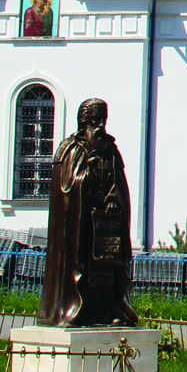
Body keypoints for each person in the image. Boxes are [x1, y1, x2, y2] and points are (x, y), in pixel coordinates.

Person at [37, 98, 137, 328]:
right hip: (82, 229)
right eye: (95, 120)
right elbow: (68, 188)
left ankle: (110, 309)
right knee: (81, 266)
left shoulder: (110, 149)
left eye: (103, 119)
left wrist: (113, 199)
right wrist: (87, 175)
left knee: (108, 270)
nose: (100, 125)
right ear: (84, 121)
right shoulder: (72, 149)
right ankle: (75, 310)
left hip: (106, 227)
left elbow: (119, 185)